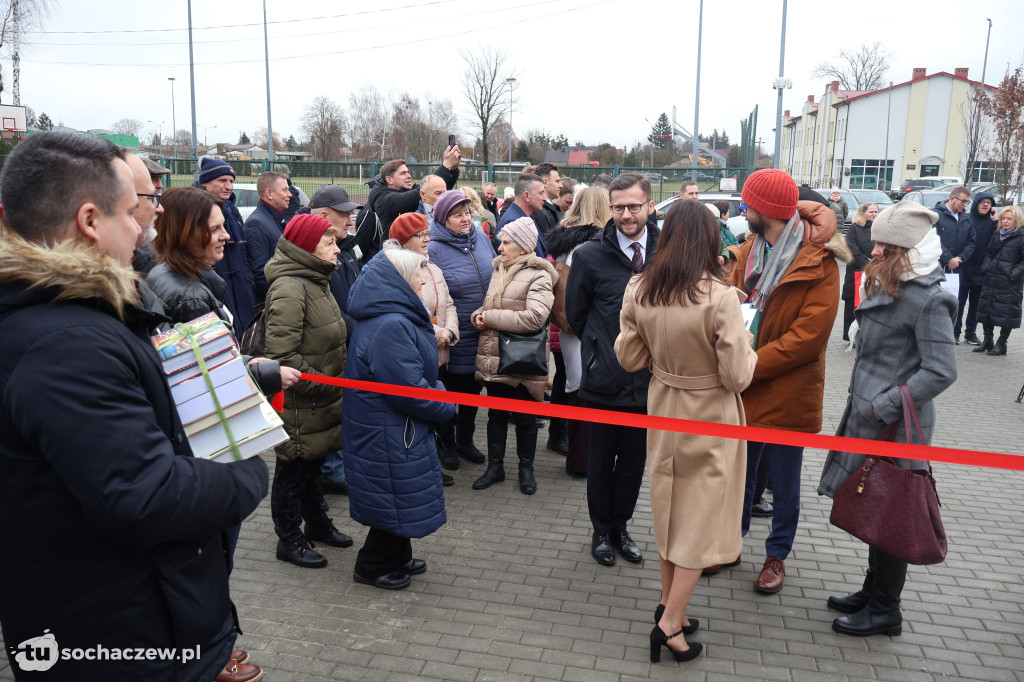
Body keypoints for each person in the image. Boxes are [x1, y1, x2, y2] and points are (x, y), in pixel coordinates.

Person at [0, 131, 268, 682]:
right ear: (90, 221)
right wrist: (246, 470)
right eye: (133, 210)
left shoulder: (74, 315)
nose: (145, 224)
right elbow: (143, 494)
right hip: (120, 633)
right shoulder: (66, 342)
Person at [615, 198, 758, 664]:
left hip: (664, 406)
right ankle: (669, 622)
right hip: (711, 413)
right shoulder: (719, 298)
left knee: (670, 515)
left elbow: (630, 359)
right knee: (701, 523)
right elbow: (738, 376)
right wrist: (749, 342)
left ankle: (669, 606)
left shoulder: (639, 288)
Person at [818, 200, 957, 637]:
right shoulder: (891, 281)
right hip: (871, 412)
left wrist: (884, 405)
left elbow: (941, 370)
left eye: (884, 243)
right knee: (874, 501)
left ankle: (886, 609)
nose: (874, 250)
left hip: (896, 422)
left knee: (892, 506)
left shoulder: (930, 299)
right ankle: (872, 590)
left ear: (907, 250)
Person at [728, 168, 845, 594]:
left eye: (748, 205)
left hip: (786, 390)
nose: (743, 211)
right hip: (744, 387)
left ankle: (776, 555)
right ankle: (730, 541)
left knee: (783, 482)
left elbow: (808, 338)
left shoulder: (821, 263)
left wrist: (748, 362)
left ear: (766, 211)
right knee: (739, 474)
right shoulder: (746, 252)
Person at [342, 249, 456, 591]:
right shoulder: (390, 324)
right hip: (388, 429)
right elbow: (409, 390)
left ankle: (397, 555)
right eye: (416, 275)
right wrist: (446, 402)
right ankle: (373, 565)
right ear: (399, 282)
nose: (422, 279)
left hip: (391, 426)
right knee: (392, 493)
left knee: (398, 493)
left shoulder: (393, 315)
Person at [565, 172, 660, 567]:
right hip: (604, 378)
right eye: (618, 207)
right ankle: (601, 531)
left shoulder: (666, 250)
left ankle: (622, 527)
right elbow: (575, 313)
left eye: (634, 206)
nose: (626, 214)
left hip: (651, 383)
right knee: (601, 464)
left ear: (649, 206)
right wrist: (600, 352)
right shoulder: (589, 255)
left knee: (633, 465)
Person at [263, 213, 354, 569]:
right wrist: (328, 382)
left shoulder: (316, 280)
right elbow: (283, 358)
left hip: (320, 400)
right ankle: (288, 538)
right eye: (329, 243)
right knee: (293, 469)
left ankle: (316, 524)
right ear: (307, 248)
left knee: (313, 465)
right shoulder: (290, 288)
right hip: (301, 403)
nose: (337, 249)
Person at [470, 217, 557, 495]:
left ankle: (525, 469)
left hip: (522, 360)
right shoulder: (500, 270)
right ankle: (495, 467)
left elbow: (536, 317)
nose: (500, 247)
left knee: (526, 419)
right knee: (495, 417)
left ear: (523, 247)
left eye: (506, 242)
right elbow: (488, 306)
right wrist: (478, 317)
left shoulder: (539, 274)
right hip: (495, 357)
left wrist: (491, 318)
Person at [386, 212, 459, 487]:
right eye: (420, 235)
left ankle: (438, 456)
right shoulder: (399, 268)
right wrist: (438, 333)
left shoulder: (432, 267)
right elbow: (409, 312)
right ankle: (426, 467)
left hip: (439, 348)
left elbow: (448, 303)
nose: (428, 239)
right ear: (404, 240)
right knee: (419, 413)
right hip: (419, 348)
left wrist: (449, 332)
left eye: (428, 233)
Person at [428, 190, 498, 469]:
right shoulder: (433, 247)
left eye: (467, 212)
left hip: (483, 330)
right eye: (458, 215)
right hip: (453, 334)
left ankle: (465, 441)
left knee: (472, 391)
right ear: (444, 219)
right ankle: (446, 443)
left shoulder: (480, 237)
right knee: (449, 393)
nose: (465, 218)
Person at [549, 186, 610, 477]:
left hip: (569, 329)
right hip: (586, 330)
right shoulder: (589, 246)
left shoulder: (565, 239)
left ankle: (579, 458)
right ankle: (582, 462)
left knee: (574, 389)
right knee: (585, 394)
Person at [357, 149, 461, 262]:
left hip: (413, 255)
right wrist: (445, 166)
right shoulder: (384, 200)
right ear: (389, 179)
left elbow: (436, 192)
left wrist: (453, 169)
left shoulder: (401, 191)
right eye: (403, 173)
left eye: (408, 172)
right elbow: (422, 192)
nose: (408, 176)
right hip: (398, 260)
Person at [195, 157, 259, 332]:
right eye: (222, 180)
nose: (229, 186)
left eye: (231, 181)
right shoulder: (194, 211)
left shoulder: (233, 211)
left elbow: (244, 251)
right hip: (218, 293)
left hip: (241, 290)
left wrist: (248, 281)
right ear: (205, 183)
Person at [974, 206, 1024, 356]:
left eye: (1009, 219)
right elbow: (989, 253)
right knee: (986, 309)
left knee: (1006, 312)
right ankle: (987, 339)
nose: (1005, 221)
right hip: (991, 278)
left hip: (1009, 281)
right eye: (1003, 218)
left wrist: (1012, 274)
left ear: (1017, 220)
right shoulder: (998, 234)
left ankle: (1002, 343)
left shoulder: (1021, 236)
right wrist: (986, 267)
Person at [933, 186, 976, 343]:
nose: (964, 205)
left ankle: (951, 333)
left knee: (955, 301)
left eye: (967, 202)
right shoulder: (936, 215)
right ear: (952, 198)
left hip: (958, 268)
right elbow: (933, 239)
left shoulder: (966, 218)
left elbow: (972, 241)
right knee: (936, 301)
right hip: (938, 267)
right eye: (963, 201)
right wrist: (948, 259)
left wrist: (959, 258)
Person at [245, 171, 293, 302]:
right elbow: (261, 274)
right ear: (269, 193)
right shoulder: (256, 224)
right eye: (284, 190)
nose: (290, 194)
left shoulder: (276, 219)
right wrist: (286, 299)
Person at [960, 192, 998, 345]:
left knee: (976, 305)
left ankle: (971, 333)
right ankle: (955, 332)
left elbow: (998, 242)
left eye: (989, 202)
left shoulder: (993, 222)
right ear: (975, 203)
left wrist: (995, 221)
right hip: (965, 268)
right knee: (959, 302)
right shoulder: (966, 219)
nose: (985, 205)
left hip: (982, 270)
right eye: (982, 202)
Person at [842, 203, 879, 341]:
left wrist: (876, 261)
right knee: (853, 303)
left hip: (876, 270)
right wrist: (866, 263)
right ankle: (850, 337)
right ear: (862, 213)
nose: (874, 214)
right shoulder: (854, 228)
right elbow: (850, 246)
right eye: (871, 212)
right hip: (856, 271)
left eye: (876, 211)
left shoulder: (880, 227)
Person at [497, 172, 548, 256]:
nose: (544, 198)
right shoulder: (513, 223)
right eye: (541, 193)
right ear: (526, 196)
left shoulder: (525, 216)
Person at [529, 162, 564, 239]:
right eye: (557, 181)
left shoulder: (549, 209)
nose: (561, 186)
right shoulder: (539, 211)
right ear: (545, 182)